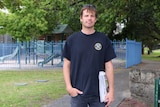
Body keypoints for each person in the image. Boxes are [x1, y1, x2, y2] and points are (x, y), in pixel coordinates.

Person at [63, 4, 116, 107]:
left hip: (99, 94)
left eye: (92, 16)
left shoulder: (103, 39)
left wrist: (111, 91)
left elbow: (109, 66)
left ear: (95, 19)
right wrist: (69, 87)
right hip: (78, 94)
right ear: (81, 19)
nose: (89, 18)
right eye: (86, 15)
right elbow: (66, 65)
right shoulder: (72, 40)